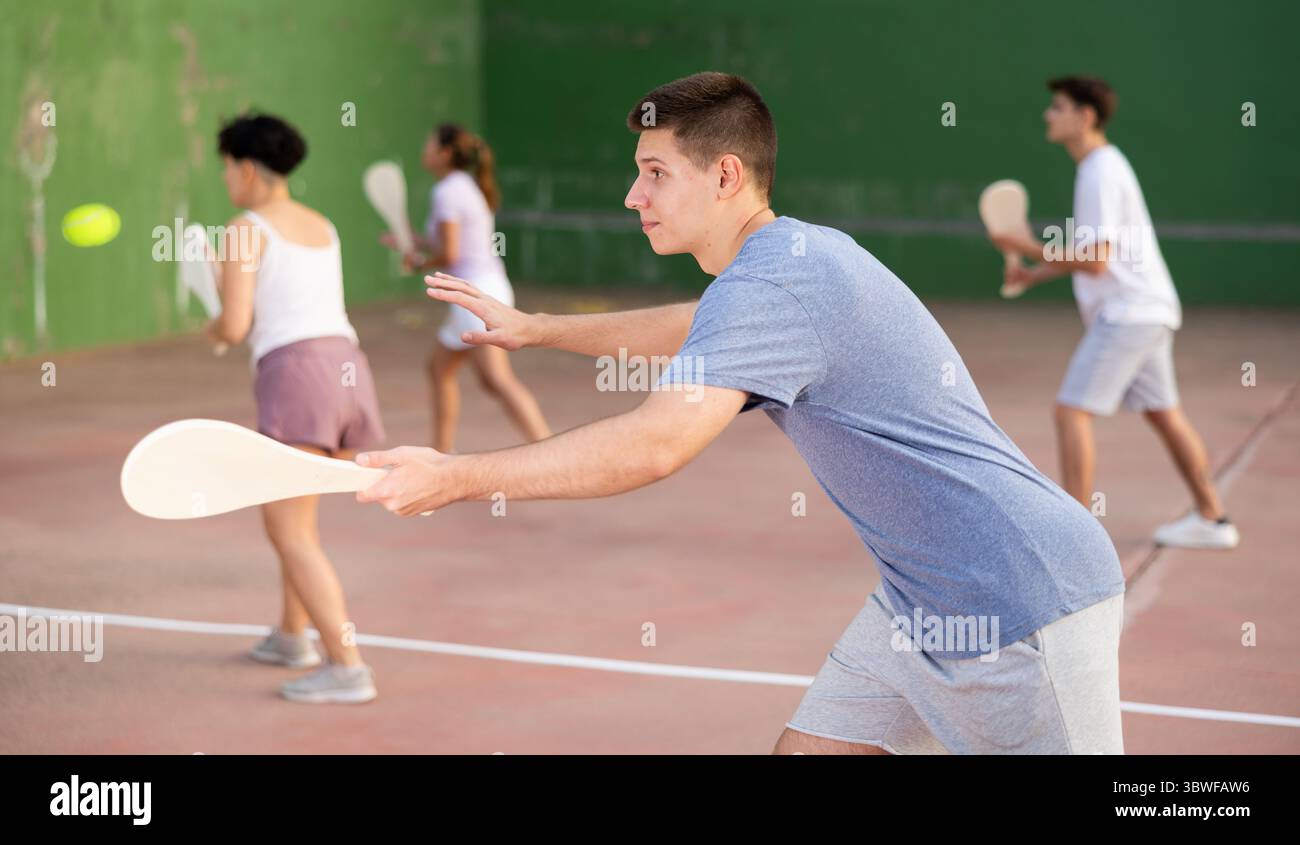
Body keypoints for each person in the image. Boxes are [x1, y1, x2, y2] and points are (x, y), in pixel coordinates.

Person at [357, 73, 1127, 753]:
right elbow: (695, 325)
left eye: (655, 173)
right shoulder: (785, 260)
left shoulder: (777, 284)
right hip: (921, 600)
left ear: (725, 175)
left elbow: (655, 444)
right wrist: (540, 329)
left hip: (1022, 597)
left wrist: (454, 477)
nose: (634, 196)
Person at [995, 76, 1238, 550]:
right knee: (1165, 414)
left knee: (1070, 412)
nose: (1049, 114)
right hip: (1152, 308)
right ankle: (1213, 518)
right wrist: (1031, 273)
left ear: (1085, 117)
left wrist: (1024, 245)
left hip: (1129, 314)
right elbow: (1096, 254)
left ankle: (1075, 542)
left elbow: (1096, 259)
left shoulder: (1099, 171)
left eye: (1058, 107)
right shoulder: (1104, 166)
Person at [208, 113, 381, 703]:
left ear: (246, 169)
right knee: (298, 520)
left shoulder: (243, 228)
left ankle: (347, 666)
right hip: (349, 371)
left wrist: (211, 315)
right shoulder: (321, 224)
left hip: (297, 376)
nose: (227, 178)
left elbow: (233, 325)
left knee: (287, 529)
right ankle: (291, 637)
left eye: (227, 167)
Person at [384, 123, 550, 452]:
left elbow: (451, 253)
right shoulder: (461, 186)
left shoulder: (446, 191)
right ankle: (442, 453)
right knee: (440, 370)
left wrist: (418, 263)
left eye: (429, 145)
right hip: (480, 290)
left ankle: (553, 450)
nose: (424, 151)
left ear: (444, 154)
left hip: (476, 296)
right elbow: (448, 243)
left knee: (497, 380)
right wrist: (413, 242)